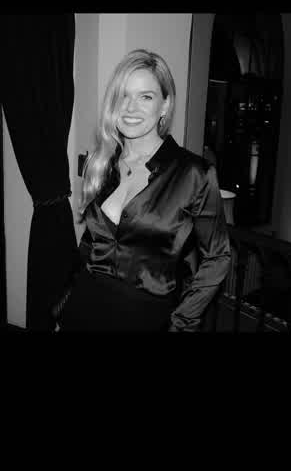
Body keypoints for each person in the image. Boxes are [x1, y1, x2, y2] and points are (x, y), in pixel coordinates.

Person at [56, 49, 231, 332]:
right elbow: (89, 244)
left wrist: (181, 323)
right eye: (123, 96)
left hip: (147, 318)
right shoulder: (102, 163)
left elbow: (217, 258)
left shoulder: (194, 174)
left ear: (165, 105)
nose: (130, 108)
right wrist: (64, 304)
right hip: (82, 308)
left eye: (145, 97)